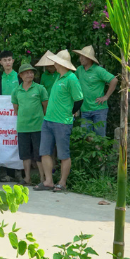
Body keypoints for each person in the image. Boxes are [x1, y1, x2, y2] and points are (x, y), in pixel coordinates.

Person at [35, 50, 83, 192]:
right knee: (44, 152)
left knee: (63, 154)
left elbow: (79, 99)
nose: (53, 63)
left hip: (62, 122)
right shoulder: (58, 77)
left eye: (55, 61)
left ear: (60, 63)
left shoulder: (71, 78)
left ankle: (62, 182)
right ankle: (48, 181)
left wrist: (70, 113)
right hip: (48, 120)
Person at [11, 63, 49, 185]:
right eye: (27, 73)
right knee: (25, 155)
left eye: (31, 72)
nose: (30, 74)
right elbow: (16, 109)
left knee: (39, 154)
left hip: (38, 127)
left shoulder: (40, 88)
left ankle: (42, 179)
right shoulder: (16, 91)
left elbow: (45, 107)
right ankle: (27, 178)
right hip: (22, 127)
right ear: (21, 75)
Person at [74, 45, 118, 137]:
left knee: (100, 137)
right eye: (80, 56)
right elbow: (74, 84)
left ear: (90, 59)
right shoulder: (79, 70)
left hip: (99, 109)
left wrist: (106, 96)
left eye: (83, 56)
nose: (81, 58)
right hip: (84, 109)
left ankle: (100, 147)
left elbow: (114, 80)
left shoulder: (98, 70)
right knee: (85, 137)